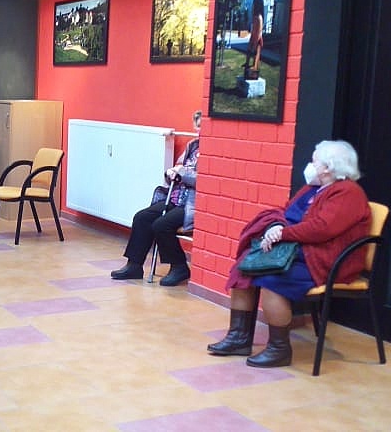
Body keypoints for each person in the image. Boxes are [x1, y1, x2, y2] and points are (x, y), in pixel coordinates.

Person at [207, 140, 371, 368]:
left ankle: (279, 349)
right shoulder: (313, 187)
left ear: (328, 168)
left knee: (271, 278)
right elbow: (285, 211)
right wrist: (275, 226)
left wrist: (282, 234)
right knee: (245, 267)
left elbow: (322, 229)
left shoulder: (348, 193)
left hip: (325, 258)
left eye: (315, 161)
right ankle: (239, 338)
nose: (311, 165)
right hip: (299, 249)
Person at [111, 111, 202, 286]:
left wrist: (183, 174)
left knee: (161, 225)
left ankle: (179, 266)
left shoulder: (216, 151)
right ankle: (134, 265)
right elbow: (179, 168)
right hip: (175, 197)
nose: (200, 131)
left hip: (192, 204)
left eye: (203, 126)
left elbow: (205, 180)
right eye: (197, 126)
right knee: (142, 217)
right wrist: (171, 173)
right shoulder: (193, 145)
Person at [246, 0, 266, 75]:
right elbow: (254, 10)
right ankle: (249, 62)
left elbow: (261, 13)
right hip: (256, 19)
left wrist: (260, 26)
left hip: (258, 19)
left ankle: (254, 64)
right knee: (253, 40)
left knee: (256, 41)